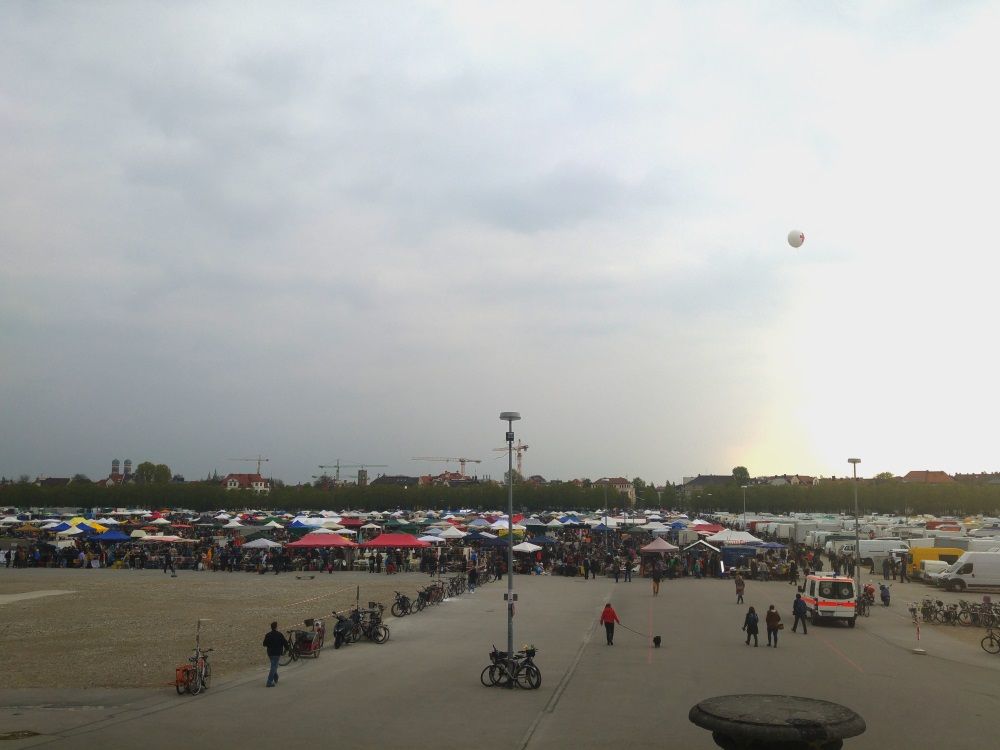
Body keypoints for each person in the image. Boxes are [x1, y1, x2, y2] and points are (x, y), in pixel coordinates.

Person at [262, 621, 288, 687]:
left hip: (270, 653)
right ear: (276, 627)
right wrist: (287, 649)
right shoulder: (280, 634)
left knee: (274, 665)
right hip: (277, 653)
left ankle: (275, 677)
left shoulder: (268, 635)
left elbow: (264, 644)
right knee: (274, 666)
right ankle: (269, 681)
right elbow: (285, 643)